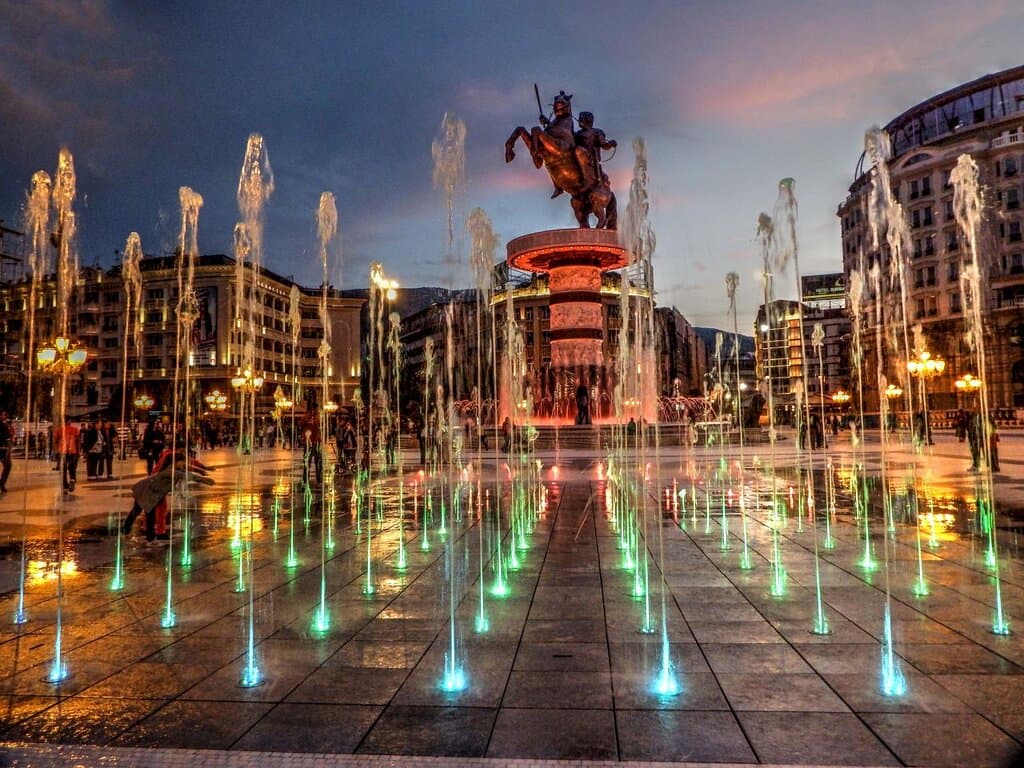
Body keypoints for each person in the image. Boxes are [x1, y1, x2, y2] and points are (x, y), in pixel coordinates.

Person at [122, 452, 213, 542]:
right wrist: (202, 479)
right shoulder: (169, 471)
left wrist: (201, 471)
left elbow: (187, 469)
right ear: (175, 462)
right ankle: (150, 539)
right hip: (146, 491)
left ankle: (127, 531)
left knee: (138, 511)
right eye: (182, 462)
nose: (184, 464)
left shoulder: (175, 469)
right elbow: (183, 475)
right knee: (149, 514)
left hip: (147, 490)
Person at [573, 111, 617, 192]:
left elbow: (604, 145)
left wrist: (611, 144)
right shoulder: (577, 134)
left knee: (579, 151)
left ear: (587, 120)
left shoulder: (597, 132)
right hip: (579, 160)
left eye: (581, 119)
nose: (579, 120)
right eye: (579, 119)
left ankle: (588, 180)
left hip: (591, 160)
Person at [53, 417, 80, 492]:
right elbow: (78, 441)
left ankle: (65, 485)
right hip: (72, 451)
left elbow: (56, 441)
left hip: (62, 451)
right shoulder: (75, 429)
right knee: (72, 468)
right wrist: (78, 451)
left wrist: (56, 451)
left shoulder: (59, 429)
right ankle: (72, 479)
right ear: (70, 421)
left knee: (63, 469)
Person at [0, 410, 12, 494]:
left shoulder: (4, 424)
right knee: (8, 465)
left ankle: (1, 483)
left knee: (8, 465)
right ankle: (1, 483)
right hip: (2, 448)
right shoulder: (1, 424)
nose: (5, 416)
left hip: (4, 447)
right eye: (3, 415)